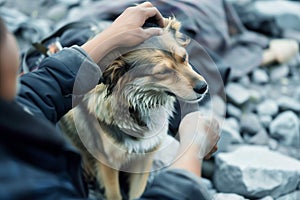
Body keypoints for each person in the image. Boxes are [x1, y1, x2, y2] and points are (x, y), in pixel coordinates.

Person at [0, 2, 220, 200]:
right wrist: (193, 148)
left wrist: (110, 37)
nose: (198, 79)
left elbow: (35, 94)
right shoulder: (39, 187)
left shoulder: (11, 118)